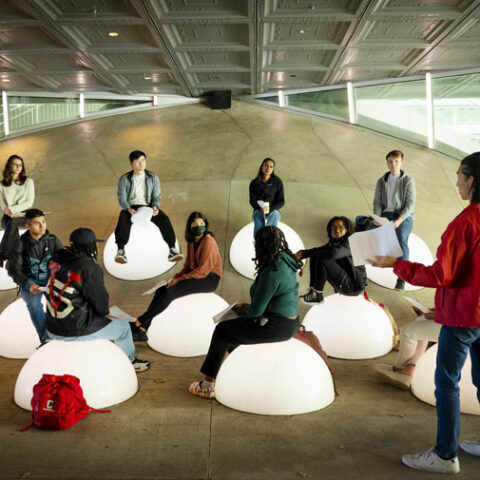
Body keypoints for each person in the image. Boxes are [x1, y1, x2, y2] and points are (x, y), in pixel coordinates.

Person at [369, 152, 480, 474]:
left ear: (472, 180)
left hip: (463, 318)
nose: (457, 180)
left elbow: (440, 275)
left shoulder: (466, 222)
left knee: (446, 383)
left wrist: (396, 265)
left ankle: (445, 455)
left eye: (461, 175)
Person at [189, 226, 301, 399]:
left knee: (223, 331)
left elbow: (256, 311)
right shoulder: (286, 260)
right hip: (290, 321)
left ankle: (207, 385)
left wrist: (244, 310)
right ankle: (243, 374)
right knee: (237, 331)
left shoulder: (272, 272)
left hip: (276, 326)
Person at [45, 227, 150, 373]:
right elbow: (102, 308)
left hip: (51, 327)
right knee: (124, 328)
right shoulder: (89, 268)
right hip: (75, 329)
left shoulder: (54, 259)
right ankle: (130, 362)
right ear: (89, 246)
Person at [132, 211, 222, 341]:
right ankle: (143, 329)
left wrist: (180, 279)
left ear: (206, 225)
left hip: (209, 278)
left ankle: (139, 321)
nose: (198, 226)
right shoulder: (191, 241)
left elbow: (203, 270)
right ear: (190, 226)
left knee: (170, 293)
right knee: (161, 290)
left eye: (201, 223)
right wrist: (175, 277)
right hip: (196, 274)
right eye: (195, 224)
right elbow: (188, 266)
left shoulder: (208, 241)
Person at [114, 150, 183, 264]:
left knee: (164, 219)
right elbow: (121, 197)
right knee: (123, 220)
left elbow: (157, 195)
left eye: (143, 160)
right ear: (131, 163)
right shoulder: (124, 179)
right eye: (137, 161)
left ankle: (172, 249)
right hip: (131, 207)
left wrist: (155, 206)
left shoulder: (153, 177)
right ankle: (121, 250)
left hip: (147, 207)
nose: (141, 164)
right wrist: (128, 209)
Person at [7, 209, 62, 343]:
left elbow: (63, 262)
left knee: (64, 302)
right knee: (33, 305)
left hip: (51, 279)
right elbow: (14, 268)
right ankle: (46, 338)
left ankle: (58, 333)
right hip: (30, 280)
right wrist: (28, 285)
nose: (43, 226)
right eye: (37, 223)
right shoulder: (19, 244)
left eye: (44, 222)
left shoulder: (53, 240)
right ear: (28, 226)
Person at [296, 216, 367, 304]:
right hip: (345, 278)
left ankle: (317, 295)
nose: (337, 230)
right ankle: (313, 292)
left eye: (341, 227)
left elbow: (334, 253)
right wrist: (303, 253)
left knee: (323, 259)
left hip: (353, 285)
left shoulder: (351, 241)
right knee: (316, 256)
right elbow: (321, 250)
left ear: (346, 228)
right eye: (334, 227)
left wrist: (306, 253)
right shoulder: (335, 241)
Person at [372, 149, 416, 291]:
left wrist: (400, 220)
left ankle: (401, 279)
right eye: (390, 161)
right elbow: (377, 202)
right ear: (387, 162)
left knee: (401, 237)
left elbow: (410, 204)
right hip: (386, 214)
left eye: (396, 161)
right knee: (370, 232)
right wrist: (377, 217)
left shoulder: (408, 180)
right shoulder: (381, 181)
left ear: (401, 162)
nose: (393, 164)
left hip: (403, 216)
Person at [375, 308, 440, 390]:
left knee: (407, 330)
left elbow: (458, 313)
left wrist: (435, 314)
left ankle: (400, 369)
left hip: (457, 326)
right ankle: (410, 367)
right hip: (456, 320)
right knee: (420, 320)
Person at [0, 155, 35, 266]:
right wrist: (11, 212)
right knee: (11, 224)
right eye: (15, 164)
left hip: (24, 215)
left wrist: (12, 209)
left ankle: (2, 255)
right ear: (9, 166)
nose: (18, 167)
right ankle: (15, 261)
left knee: (13, 225)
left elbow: (29, 202)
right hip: (8, 217)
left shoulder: (28, 182)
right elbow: (3, 206)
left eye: (20, 165)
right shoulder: (1, 185)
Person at [249, 158, 284, 237]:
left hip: (273, 211)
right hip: (258, 210)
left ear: (273, 169)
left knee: (274, 216)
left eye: (271, 167)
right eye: (266, 166)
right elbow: (252, 200)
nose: (268, 168)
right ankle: (258, 243)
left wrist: (270, 209)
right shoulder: (254, 183)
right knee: (258, 223)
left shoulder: (277, 182)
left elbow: (281, 201)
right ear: (262, 166)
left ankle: (269, 239)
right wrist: (260, 208)